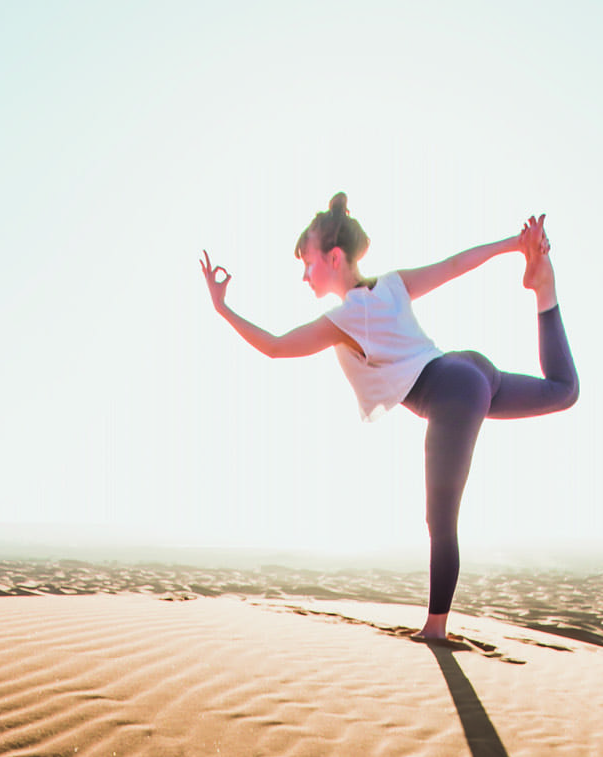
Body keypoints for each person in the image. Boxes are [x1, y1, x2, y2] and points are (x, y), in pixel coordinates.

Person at [200, 192, 578, 643]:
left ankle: (435, 630)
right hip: (469, 370)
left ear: (334, 257)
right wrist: (514, 245)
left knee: (441, 522)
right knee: (563, 390)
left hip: (451, 393)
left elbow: (277, 346)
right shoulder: (391, 285)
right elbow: (455, 264)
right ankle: (545, 289)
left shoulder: (346, 317)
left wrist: (222, 308)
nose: (304, 275)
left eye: (308, 262)